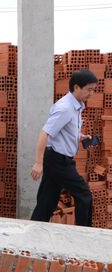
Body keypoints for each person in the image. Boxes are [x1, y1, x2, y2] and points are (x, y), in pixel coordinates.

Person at [31, 69, 98, 227]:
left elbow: (62, 130)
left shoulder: (76, 105)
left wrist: (79, 136)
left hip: (57, 159)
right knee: (84, 195)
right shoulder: (65, 108)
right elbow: (44, 134)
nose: (91, 93)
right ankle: (84, 234)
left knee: (47, 201)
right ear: (76, 87)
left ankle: (34, 232)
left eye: (93, 90)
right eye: (89, 89)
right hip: (58, 161)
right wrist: (38, 163)